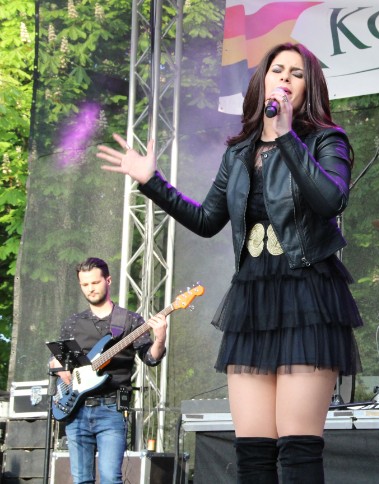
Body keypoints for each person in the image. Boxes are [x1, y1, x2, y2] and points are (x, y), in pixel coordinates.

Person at [97, 42, 363, 483]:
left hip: (308, 295)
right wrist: (151, 182)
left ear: (309, 88)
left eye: (297, 73)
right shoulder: (239, 153)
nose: (285, 77)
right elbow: (206, 220)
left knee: (298, 450)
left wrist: (287, 136)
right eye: (277, 69)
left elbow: (330, 199)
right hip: (253, 297)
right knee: (253, 453)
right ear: (262, 81)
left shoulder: (325, 140)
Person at [49, 257, 168, 484]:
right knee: (81, 479)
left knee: (111, 478)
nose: (90, 289)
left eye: (95, 282)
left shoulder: (130, 320)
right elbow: (58, 357)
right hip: (75, 407)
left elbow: (150, 358)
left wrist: (160, 337)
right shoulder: (73, 322)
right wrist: (57, 366)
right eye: (85, 284)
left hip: (112, 409)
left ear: (108, 280)